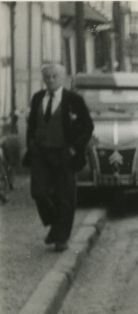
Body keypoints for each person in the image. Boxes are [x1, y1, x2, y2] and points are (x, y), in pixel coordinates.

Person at [23, 63, 94, 252]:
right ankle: (56, 224)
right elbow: (32, 124)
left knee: (65, 196)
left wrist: (75, 148)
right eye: (47, 77)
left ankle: (61, 237)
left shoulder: (73, 100)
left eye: (54, 76)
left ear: (62, 78)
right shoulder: (38, 98)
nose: (51, 80)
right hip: (40, 153)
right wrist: (31, 145)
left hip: (64, 153)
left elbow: (87, 126)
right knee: (39, 192)